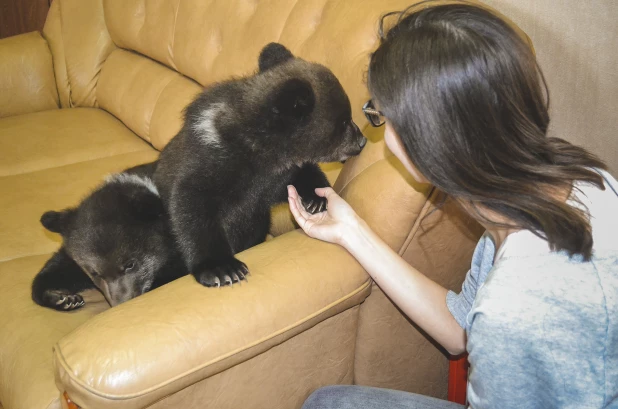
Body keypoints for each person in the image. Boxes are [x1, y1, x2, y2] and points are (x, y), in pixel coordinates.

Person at [288, 2, 618, 408]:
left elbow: (491, 324)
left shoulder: (513, 312)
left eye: (383, 115)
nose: (383, 129)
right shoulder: (582, 181)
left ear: (430, 143)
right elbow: (462, 327)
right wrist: (352, 231)